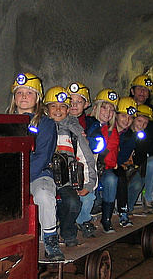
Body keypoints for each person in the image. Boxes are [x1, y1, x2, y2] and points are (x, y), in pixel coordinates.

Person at [6, 72, 63, 261]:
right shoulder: (3, 120)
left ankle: (50, 240)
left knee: (44, 195)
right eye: (19, 92)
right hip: (11, 174)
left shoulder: (45, 124)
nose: (23, 96)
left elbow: (42, 156)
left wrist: (20, 179)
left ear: (37, 97)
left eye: (29, 93)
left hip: (37, 174)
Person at [44, 86, 96, 246]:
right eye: (53, 106)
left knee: (73, 202)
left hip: (65, 179)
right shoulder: (39, 128)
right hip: (43, 176)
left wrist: (89, 183)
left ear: (68, 110)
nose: (58, 110)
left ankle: (67, 231)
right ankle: (45, 233)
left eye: (63, 107)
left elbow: (85, 158)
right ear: (46, 109)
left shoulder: (74, 131)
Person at [128, 75, 153, 214]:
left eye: (146, 90)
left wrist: (152, 153)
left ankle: (148, 198)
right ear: (132, 91)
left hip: (146, 153)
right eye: (139, 88)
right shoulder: (124, 106)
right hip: (127, 153)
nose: (142, 92)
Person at [85, 89, 120, 233]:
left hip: (102, 168)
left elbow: (110, 157)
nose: (107, 112)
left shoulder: (111, 130)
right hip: (85, 167)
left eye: (111, 110)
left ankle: (106, 218)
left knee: (111, 179)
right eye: (104, 107)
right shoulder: (85, 123)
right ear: (96, 108)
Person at [114, 97, 141, 227]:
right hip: (101, 163)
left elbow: (122, 157)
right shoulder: (106, 129)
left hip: (115, 164)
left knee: (121, 177)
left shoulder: (130, 137)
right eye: (123, 115)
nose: (127, 120)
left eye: (130, 117)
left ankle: (123, 211)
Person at [127, 105, 152, 214]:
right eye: (139, 121)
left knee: (138, 183)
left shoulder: (143, 137)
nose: (141, 125)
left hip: (131, 167)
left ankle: (128, 208)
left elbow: (141, 157)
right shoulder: (124, 132)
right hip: (117, 164)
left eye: (145, 123)